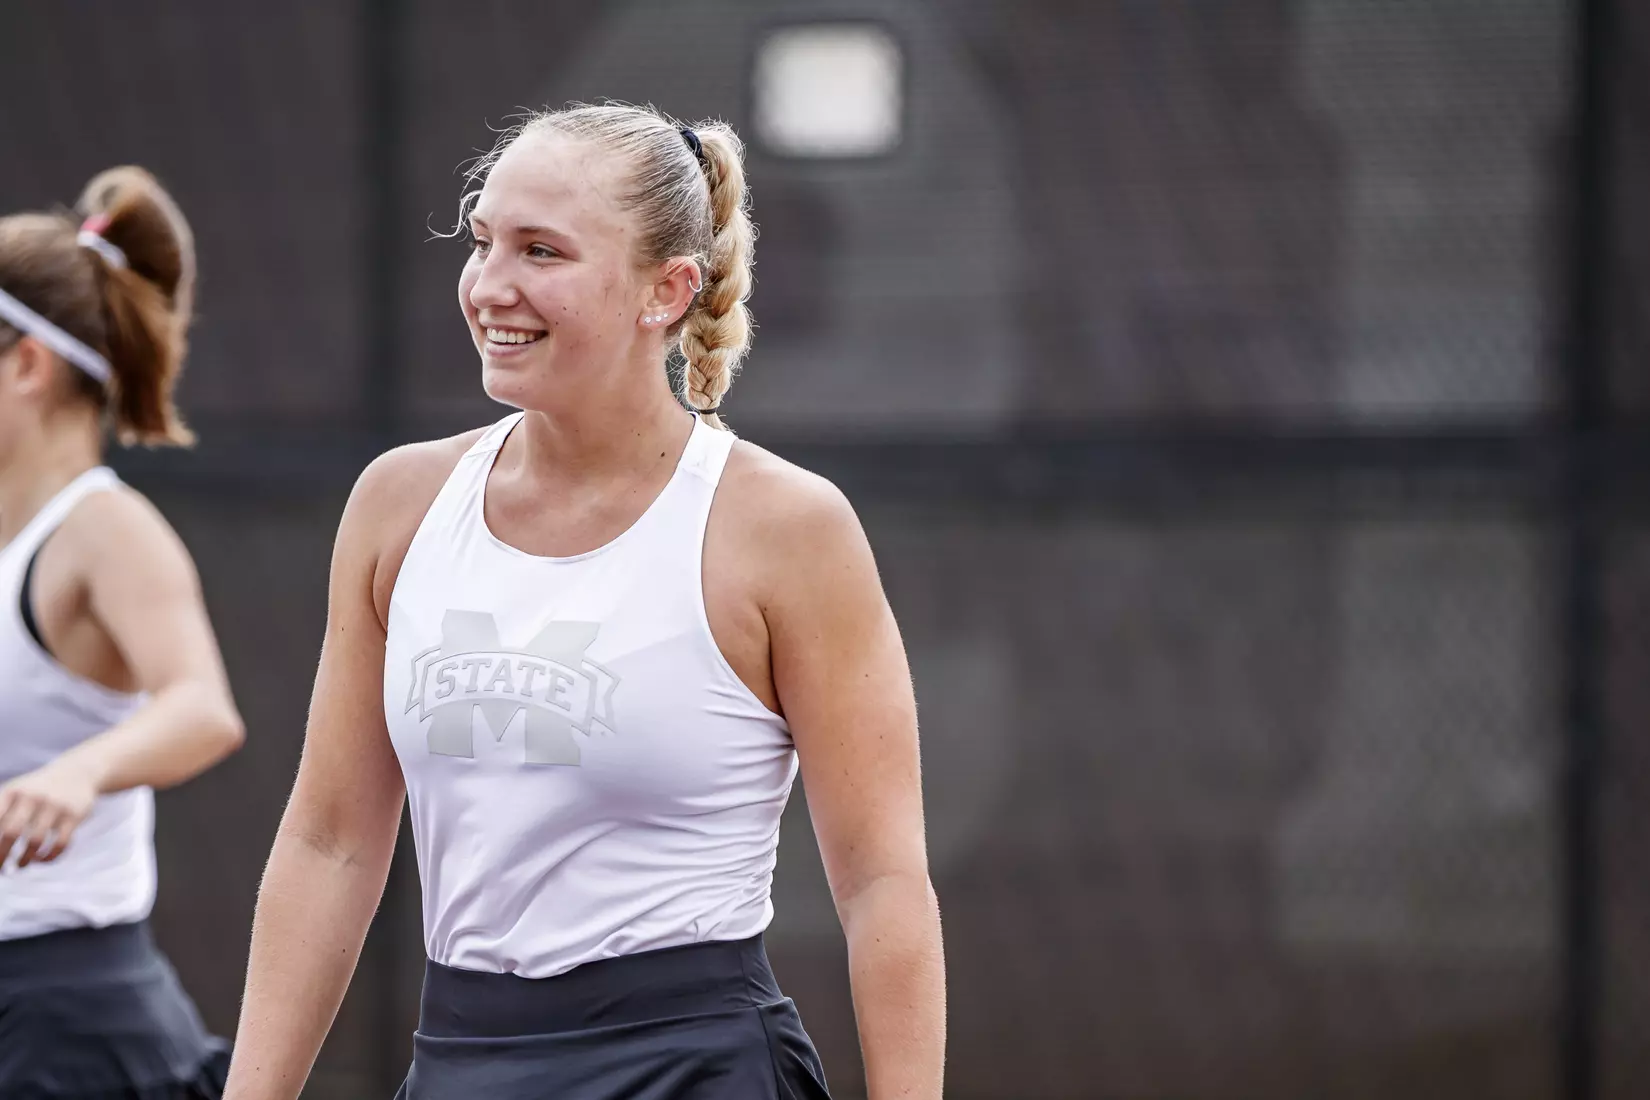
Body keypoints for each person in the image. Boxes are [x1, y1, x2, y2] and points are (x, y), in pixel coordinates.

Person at [223, 103, 945, 1100]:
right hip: (460, 1062)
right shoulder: (399, 503)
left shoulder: (787, 527)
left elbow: (881, 881)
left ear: (668, 290)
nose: (490, 285)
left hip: (697, 1068)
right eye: (482, 241)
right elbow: (329, 841)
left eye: (541, 250)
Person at [0, 167, 247, 1098]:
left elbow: (201, 709)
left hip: (64, 1020)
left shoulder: (104, 530)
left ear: (28, 365)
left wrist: (81, 771)